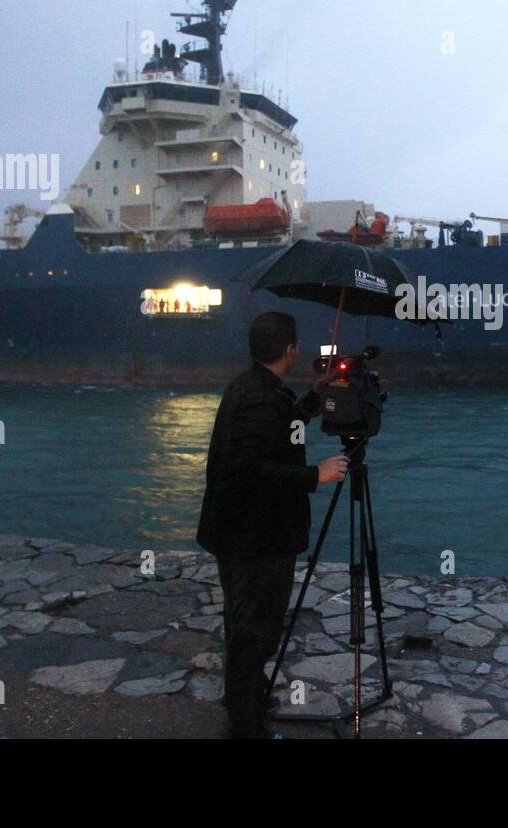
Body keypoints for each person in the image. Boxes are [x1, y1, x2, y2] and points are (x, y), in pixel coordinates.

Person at [196, 311, 350, 738]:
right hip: (256, 537)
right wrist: (314, 475)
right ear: (289, 349)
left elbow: (282, 429)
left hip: (238, 531)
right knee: (255, 631)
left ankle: (246, 697)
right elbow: (252, 468)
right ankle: (247, 725)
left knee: (243, 623)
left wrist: (314, 398)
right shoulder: (262, 398)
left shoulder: (253, 389)